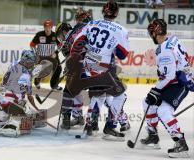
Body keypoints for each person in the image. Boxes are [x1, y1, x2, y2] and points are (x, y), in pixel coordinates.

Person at [66, 0, 130, 138]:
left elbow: (76, 44)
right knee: (121, 94)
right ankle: (110, 127)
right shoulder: (120, 30)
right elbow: (123, 55)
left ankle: (90, 127)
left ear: (103, 11)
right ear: (117, 13)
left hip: (88, 64)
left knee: (98, 94)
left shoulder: (91, 24)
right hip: (103, 67)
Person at [140, 19, 191, 158]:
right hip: (177, 80)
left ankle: (181, 143)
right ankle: (153, 136)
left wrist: (155, 91)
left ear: (155, 34)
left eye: (152, 34)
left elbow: (169, 76)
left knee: (163, 110)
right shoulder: (173, 39)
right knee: (147, 103)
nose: (152, 37)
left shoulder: (164, 50)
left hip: (179, 84)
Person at [55, 9, 92, 129]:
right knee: (102, 94)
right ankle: (80, 117)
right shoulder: (95, 29)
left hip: (79, 66)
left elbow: (67, 49)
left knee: (68, 91)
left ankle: (66, 118)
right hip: (94, 67)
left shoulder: (75, 31)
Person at [0, 50, 39, 137]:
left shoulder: (14, 64)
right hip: (11, 102)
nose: (32, 64)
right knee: (25, 108)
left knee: (17, 96)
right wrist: (37, 109)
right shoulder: (26, 75)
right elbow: (29, 96)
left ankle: (1, 117)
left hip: (2, 100)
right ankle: (13, 124)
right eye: (31, 62)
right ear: (26, 61)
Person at [30, 19, 62, 90]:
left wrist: (56, 53)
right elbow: (32, 45)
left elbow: (60, 45)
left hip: (52, 56)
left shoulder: (55, 35)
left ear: (51, 27)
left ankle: (54, 85)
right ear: (44, 27)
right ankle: (37, 81)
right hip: (41, 57)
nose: (47, 29)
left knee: (58, 69)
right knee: (42, 70)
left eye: (49, 27)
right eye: (45, 27)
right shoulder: (39, 35)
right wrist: (36, 54)